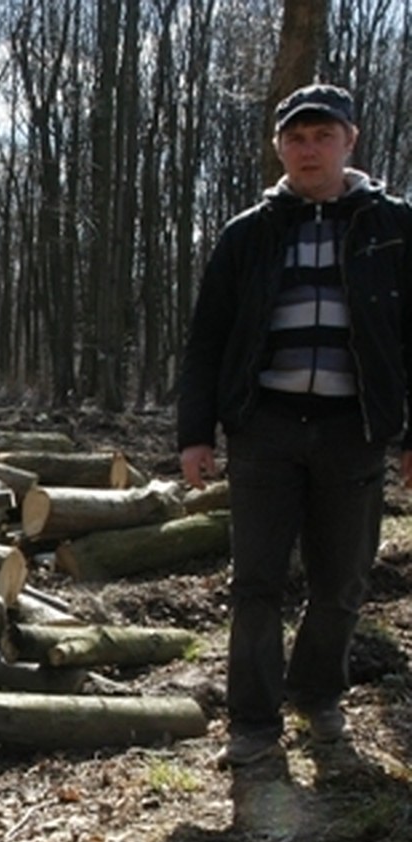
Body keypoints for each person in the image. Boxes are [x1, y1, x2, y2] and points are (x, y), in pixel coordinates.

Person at [177, 82, 412, 767]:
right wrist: (196, 435)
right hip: (265, 429)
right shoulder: (248, 233)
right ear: (279, 147)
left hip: (354, 430)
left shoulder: (393, 228)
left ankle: (320, 699)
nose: (309, 150)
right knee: (257, 581)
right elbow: (208, 341)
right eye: (296, 138)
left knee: (341, 579)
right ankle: (253, 723)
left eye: (322, 136)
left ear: (350, 141)